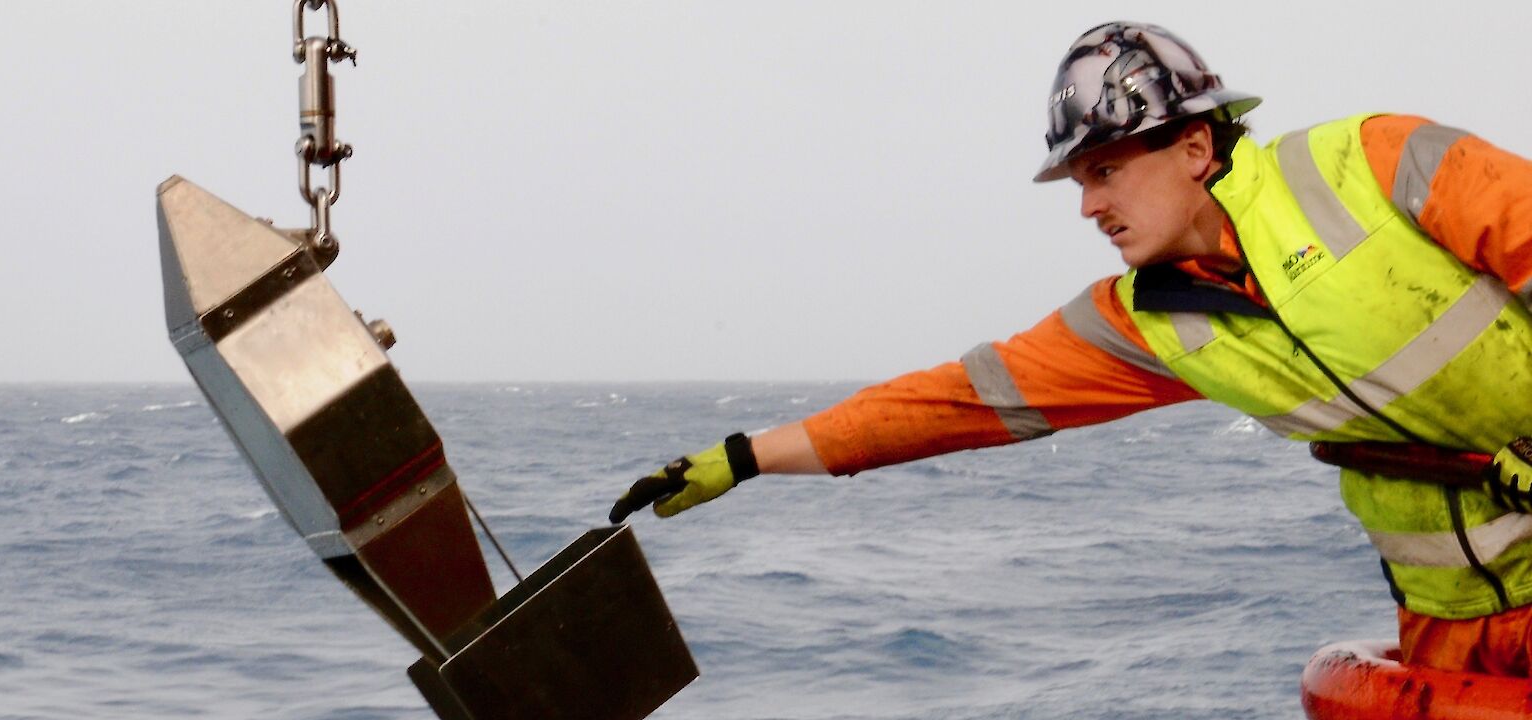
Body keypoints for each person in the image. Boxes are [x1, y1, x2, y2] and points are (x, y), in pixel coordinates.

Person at [610, 21, 1532, 676]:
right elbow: (957, 402)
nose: (1087, 206)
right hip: (1451, 634)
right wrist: (743, 457)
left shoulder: (1375, 164)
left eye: (1104, 171)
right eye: (1078, 179)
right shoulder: (1149, 320)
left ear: (1195, 146)